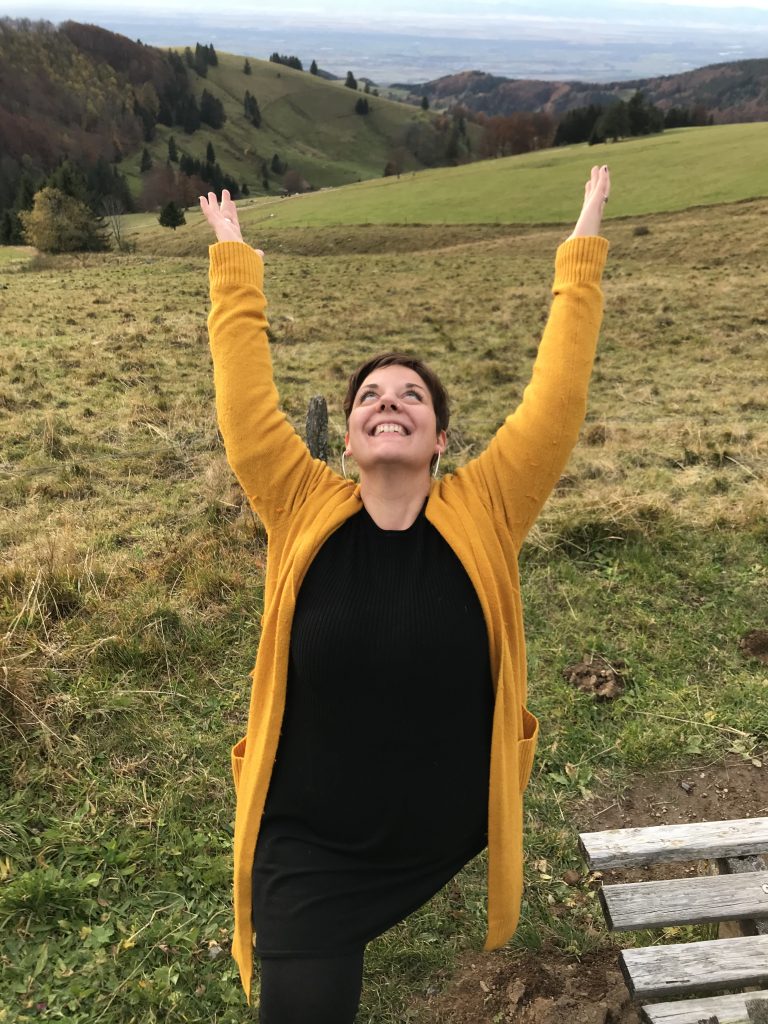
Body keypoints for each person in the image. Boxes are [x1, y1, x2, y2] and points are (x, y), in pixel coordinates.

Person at [200, 166, 610, 1023]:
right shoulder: (301, 504)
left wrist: (581, 251)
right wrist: (236, 267)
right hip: (310, 840)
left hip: (437, 819)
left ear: (440, 439)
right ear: (349, 439)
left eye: (411, 396)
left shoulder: (486, 508)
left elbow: (556, 401)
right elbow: (246, 412)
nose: (388, 403)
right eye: (371, 398)